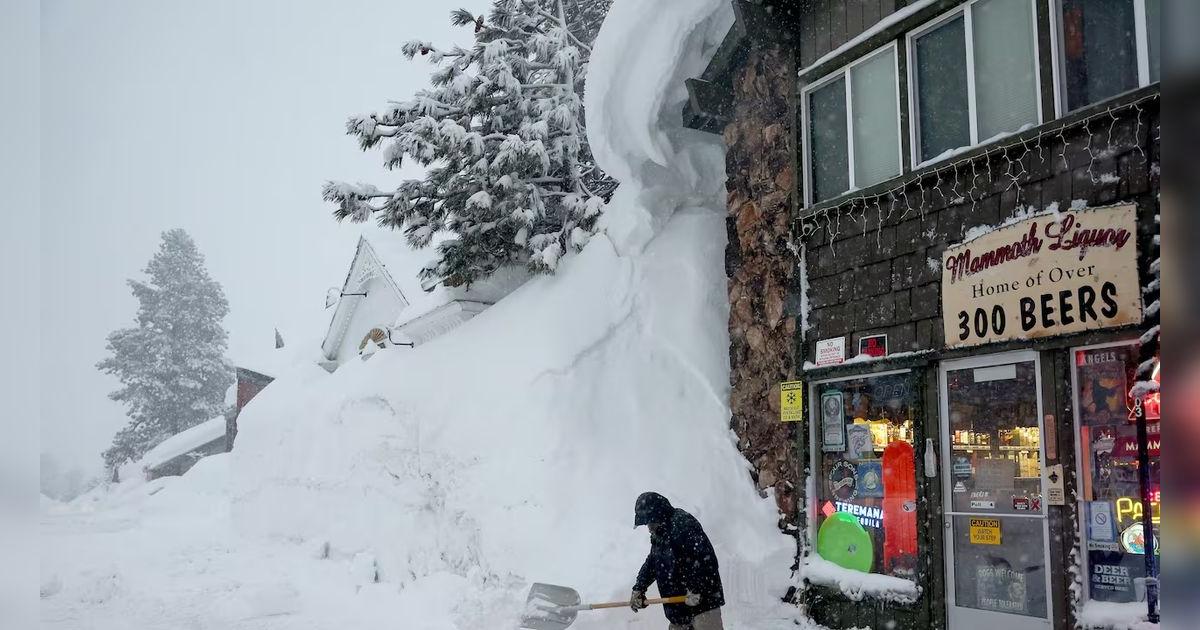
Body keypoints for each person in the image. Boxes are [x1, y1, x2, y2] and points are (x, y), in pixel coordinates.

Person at [629, 492, 725, 630]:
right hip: (679, 611)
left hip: (703, 605)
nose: (649, 528)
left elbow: (706, 561)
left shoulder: (684, 525)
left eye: (650, 522)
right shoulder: (660, 533)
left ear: (658, 515)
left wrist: (697, 589)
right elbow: (653, 562)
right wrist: (639, 587)